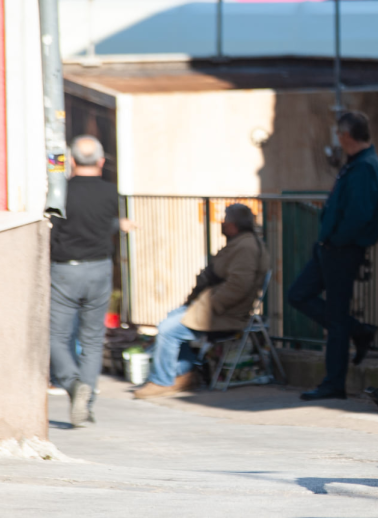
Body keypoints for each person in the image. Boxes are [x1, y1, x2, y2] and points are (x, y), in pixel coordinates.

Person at [289, 111, 378, 401]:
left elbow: (360, 214)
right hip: (329, 248)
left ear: (345, 136)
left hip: (341, 250)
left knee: (336, 318)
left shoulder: (365, 166)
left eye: (338, 135)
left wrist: (336, 240)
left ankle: (333, 383)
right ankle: (360, 331)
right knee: (298, 294)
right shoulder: (356, 163)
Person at [134, 204, 270, 399]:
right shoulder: (241, 243)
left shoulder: (246, 247)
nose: (222, 224)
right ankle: (184, 374)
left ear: (232, 225)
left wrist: (211, 306)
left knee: (168, 329)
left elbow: (239, 286)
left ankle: (162, 381)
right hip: (213, 309)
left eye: (224, 220)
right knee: (171, 319)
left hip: (224, 315)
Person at [50, 135, 133, 427]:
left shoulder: (60, 192)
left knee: (56, 337)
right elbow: (103, 223)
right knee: (93, 339)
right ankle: (87, 406)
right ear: (101, 161)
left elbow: (55, 227)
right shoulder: (112, 193)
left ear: (71, 161)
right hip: (100, 269)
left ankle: (74, 386)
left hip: (65, 271)